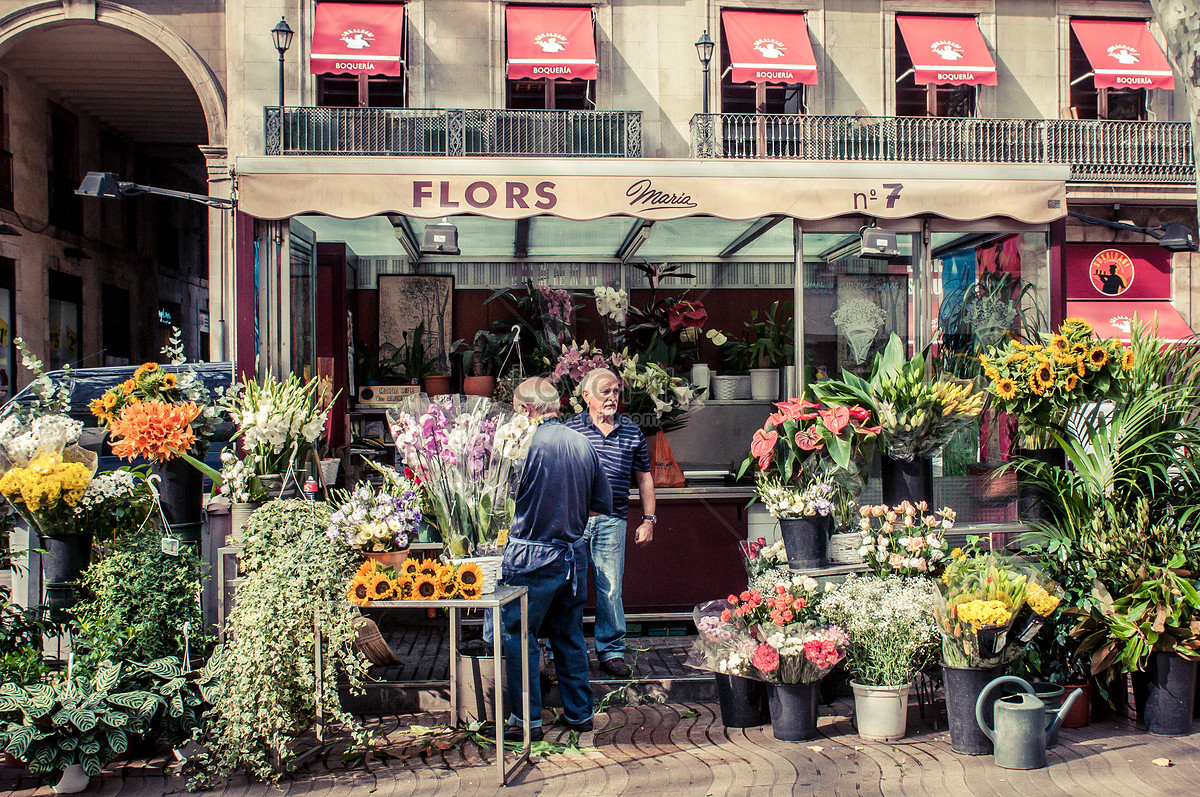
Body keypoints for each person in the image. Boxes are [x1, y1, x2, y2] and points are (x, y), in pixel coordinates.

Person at [501, 377, 612, 742]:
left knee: (520, 635)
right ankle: (580, 714)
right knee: (568, 635)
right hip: (572, 557)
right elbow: (601, 505)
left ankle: (526, 720)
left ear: (525, 409)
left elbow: (499, 500)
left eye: (516, 408)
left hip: (531, 558)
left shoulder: (522, 443)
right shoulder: (584, 442)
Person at [565, 367, 654, 678]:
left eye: (616, 391)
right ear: (587, 396)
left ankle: (611, 651)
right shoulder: (570, 430)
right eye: (606, 391)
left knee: (610, 588)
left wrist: (648, 519)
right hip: (573, 523)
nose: (613, 397)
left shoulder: (631, 431)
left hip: (613, 521)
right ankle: (565, 652)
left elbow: (644, 479)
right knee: (568, 589)